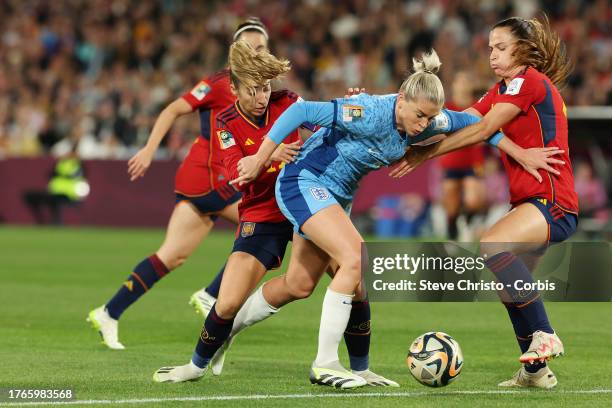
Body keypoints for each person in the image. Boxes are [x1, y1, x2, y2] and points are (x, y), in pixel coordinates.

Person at [228, 48, 561, 388]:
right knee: (355, 259)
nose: (424, 125)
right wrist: (258, 157)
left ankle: (237, 332)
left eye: (430, 119)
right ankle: (324, 363)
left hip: (336, 197)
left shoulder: (432, 119)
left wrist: (519, 152)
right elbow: (300, 111)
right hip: (305, 181)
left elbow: (480, 124)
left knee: (301, 284)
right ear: (401, 99)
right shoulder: (369, 111)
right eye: (419, 115)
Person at [152, 41, 397, 389]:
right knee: (228, 302)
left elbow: (329, 132)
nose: (261, 97)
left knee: (353, 277)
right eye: (252, 91)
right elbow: (238, 172)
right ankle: (196, 364)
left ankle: (360, 368)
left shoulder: (288, 101)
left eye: (265, 88)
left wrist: (354, 106)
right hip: (263, 214)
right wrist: (273, 153)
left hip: (306, 204)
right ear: (234, 90)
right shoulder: (225, 122)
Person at [391, 16, 577, 389]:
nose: (492, 54)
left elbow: (484, 130)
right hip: (533, 200)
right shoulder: (504, 88)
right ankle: (536, 373)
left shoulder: (529, 82)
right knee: (507, 286)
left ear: (522, 50)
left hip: (551, 198)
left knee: (492, 245)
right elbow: (463, 119)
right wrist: (418, 121)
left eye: (501, 47)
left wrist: (425, 155)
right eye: (490, 47)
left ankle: (545, 333)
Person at [86, 18, 270, 350]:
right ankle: (211, 293)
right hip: (206, 176)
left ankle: (109, 313)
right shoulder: (218, 84)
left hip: (215, 180)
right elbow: (173, 109)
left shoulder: (261, 91)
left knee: (171, 256)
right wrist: (149, 148)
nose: (257, 52)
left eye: (262, 47)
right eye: (251, 47)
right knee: (263, 227)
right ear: (235, 53)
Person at [438, 71, 486, 241]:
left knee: (473, 200)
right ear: (453, 86)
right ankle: (452, 224)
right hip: (451, 161)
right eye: (460, 81)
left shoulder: (479, 107)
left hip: (473, 161)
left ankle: (468, 220)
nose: (464, 84)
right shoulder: (446, 109)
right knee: (451, 205)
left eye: (467, 81)